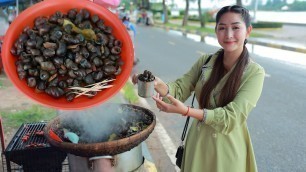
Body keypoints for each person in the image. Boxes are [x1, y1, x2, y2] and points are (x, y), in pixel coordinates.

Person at [132, 5, 265, 172]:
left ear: (248, 31)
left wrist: (187, 111)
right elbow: (180, 89)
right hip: (198, 141)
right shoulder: (206, 61)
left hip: (228, 147)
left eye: (236, 27)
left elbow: (232, 117)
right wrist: (157, 84)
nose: (229, 34)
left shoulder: (254, 72)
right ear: (216, 31)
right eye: (222, 28)